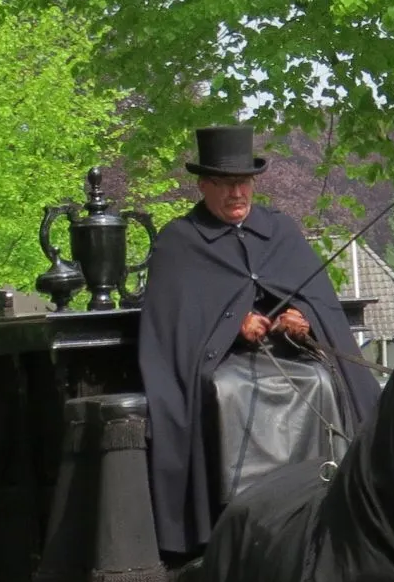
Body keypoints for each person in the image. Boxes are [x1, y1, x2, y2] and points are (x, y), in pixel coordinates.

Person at [137, 123, 381, 559]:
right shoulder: (180, 242)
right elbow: (172, 327)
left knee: (320, 383)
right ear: (203, 185)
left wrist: (301, 319)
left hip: (286, 356)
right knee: (229, 392)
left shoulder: (280, 231)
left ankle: (323, 487)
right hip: (220, 365)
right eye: (226, 185)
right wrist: (233, 325)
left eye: (243, 184)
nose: (236, 195)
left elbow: (317, 302)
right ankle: (240, 510)